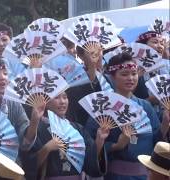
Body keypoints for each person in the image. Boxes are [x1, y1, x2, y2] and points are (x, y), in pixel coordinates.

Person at [85, 52, 169, 180]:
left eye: (134, 74)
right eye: (124, 74)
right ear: (112, 77)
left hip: (144, 175)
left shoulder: (145, 106)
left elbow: (156, 142)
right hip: (115, 176)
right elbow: (90, 144)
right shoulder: (102, 108)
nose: (131, 78)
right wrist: (116, 146)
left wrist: (164, 125)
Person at [29, 92, 108, 179]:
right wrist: (46, 148)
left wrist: (99, 140)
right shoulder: (39, 129)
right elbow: (28, 164)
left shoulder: (78, 128)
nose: (62, 101)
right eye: (57, 98)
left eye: (65, 97)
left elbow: (90, 165)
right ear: (46, 103)